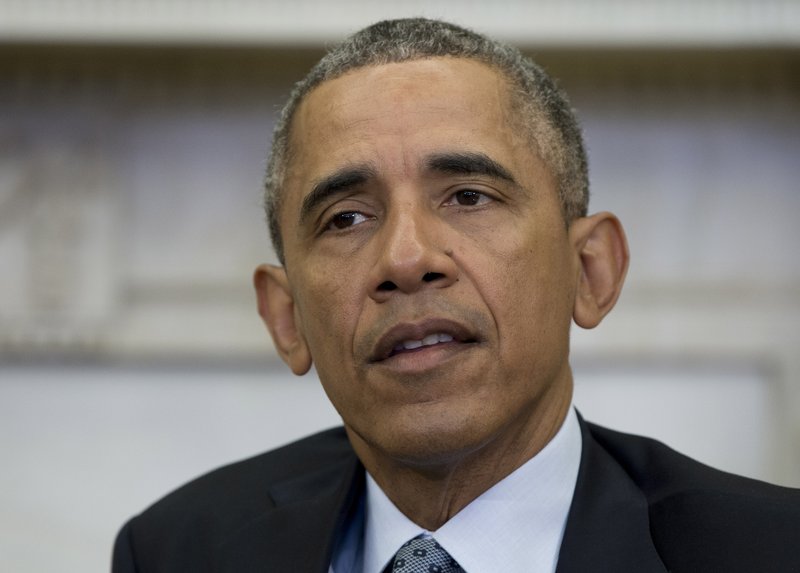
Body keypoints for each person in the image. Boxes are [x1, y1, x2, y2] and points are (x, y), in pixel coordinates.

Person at [112, 18, 800, 573]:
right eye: (346, 217)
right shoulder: (178, 550)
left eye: (470, 196)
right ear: (286, 317)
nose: (406, 260)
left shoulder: (770, 551)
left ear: (590, 270)